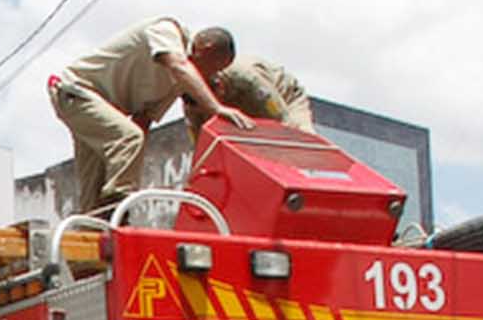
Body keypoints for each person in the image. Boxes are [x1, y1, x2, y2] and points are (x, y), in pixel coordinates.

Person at [49, 18, 251, 212]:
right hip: (76, 91)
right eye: (215, 67)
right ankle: (117, 207)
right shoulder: (166, 30)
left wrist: (130, 166)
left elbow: (143, 121)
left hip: (100, 110)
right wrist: (216, 107)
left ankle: (95, 223)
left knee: (93, 195)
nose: (211, 75)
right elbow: (178, 65)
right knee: (128, 138)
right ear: (206, 48)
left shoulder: (176, 84)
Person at [186, 53, 314, 135]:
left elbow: (281, 118)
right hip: (243, 111)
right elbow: (200, 147)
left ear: (220, 87)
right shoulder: (191, 104)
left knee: (301, 140)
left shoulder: (248, 80)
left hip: (286, 99)